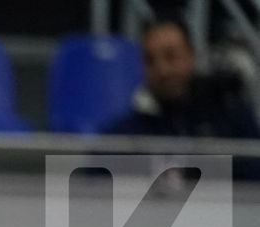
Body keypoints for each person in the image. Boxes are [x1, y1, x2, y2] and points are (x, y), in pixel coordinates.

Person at [107, 16, 260, 177]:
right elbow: (88, 187)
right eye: (150, 60)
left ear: (191, 56)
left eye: (171, 56)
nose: (162, 70)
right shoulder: (126, 134)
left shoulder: (231, 118)